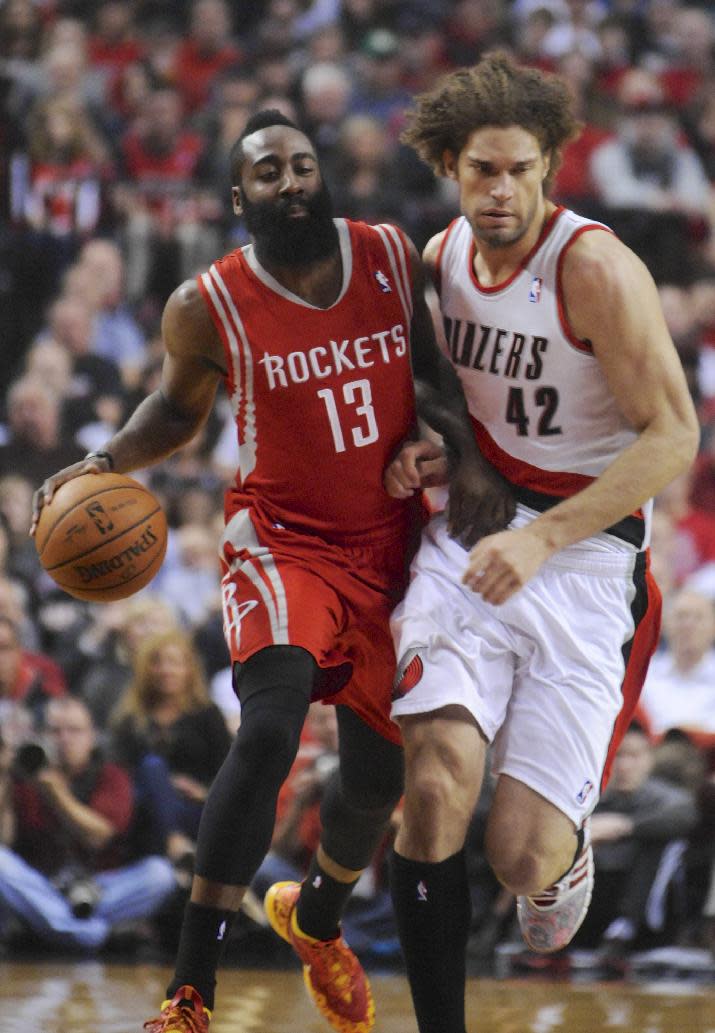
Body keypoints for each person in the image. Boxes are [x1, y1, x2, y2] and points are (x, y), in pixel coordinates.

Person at [31, 110, 512, 1033]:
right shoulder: (204, 302)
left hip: (394, 543)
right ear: (237, 198)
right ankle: (189, 990)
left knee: (378, 779)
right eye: (267, 172)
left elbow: (433, 374)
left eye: (301, 164)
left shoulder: (385, 253)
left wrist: (436, 438)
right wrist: (102, 464)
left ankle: (314, 914)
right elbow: (176, 412)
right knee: (271, 725)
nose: (290, 181)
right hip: (283, 539)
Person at [384, 52, 700, 1033]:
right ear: (449, 166)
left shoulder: (594, 268)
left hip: (587, 555)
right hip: (472, 541)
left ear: (549, 166)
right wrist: (423, 451)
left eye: (521, 168)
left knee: (522, 856)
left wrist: (545, 536)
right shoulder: (440, 265)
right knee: (431, 785)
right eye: (482, 169)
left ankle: (563, 856)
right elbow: (454, 405)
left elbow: (675, 435)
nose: (502, 188)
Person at [0, 697, 178, 953]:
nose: (65, 738)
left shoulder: (111, 775)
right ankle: (92, 935)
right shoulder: (24, 774)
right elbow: (5, 841)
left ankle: (55, 930)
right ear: (41, 735)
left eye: (74, 730)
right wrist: (4, 777)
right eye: (55, 731)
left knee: (160, 874)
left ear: (92, 736)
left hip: (100, 889)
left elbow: (98, 836)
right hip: (43, 886)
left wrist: (56, 793)